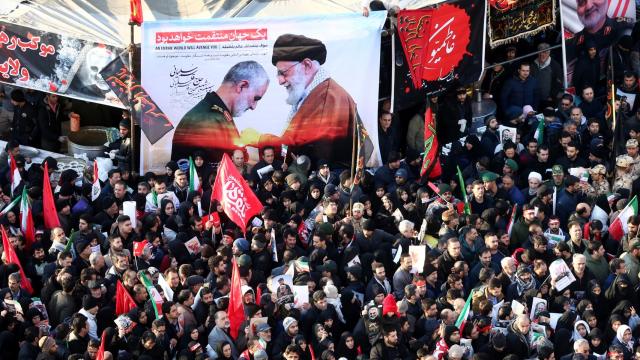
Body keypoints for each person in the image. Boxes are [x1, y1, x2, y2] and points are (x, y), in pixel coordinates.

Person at [271, 33, 373, 167]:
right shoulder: (311, 93)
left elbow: (323, 153)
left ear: (307, 65)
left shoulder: (329, 99)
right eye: (278, 73)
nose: (280, 81)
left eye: (283, 73)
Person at [172, 61, 269, 162]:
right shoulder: (210, 119)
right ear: (242, 86)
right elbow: (222, 172)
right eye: (256, 98)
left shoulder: (217, 112)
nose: (253, 107)